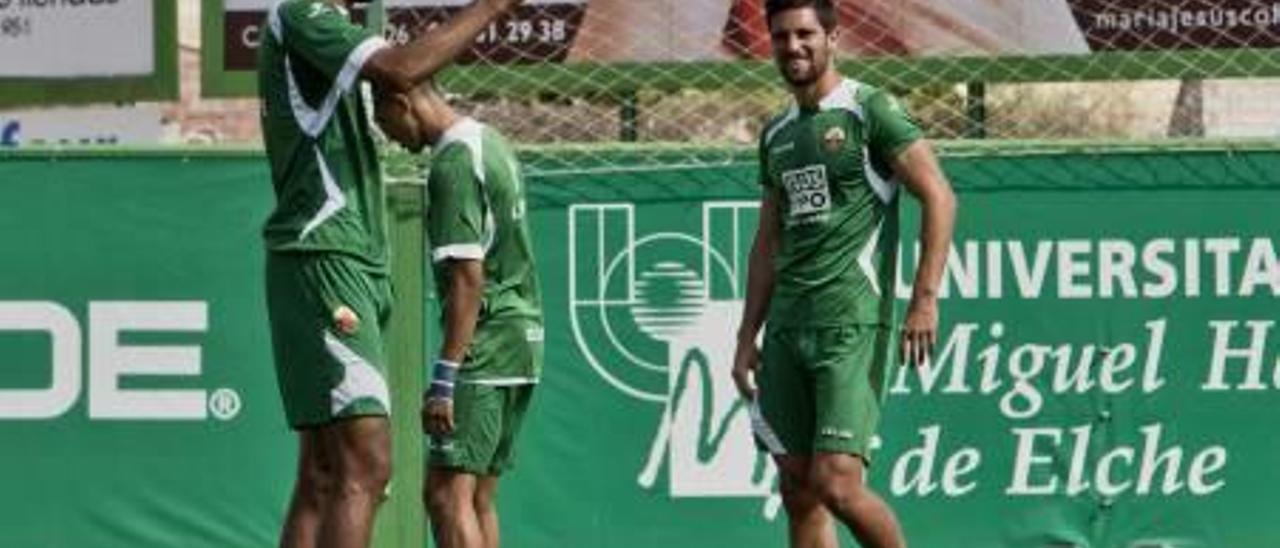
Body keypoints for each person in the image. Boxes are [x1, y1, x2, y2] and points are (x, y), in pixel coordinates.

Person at [256, 1, 524, 546]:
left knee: (323, 473)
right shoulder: (302, 13)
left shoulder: (332, 26)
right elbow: (399, 70)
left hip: (347, 258)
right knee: (367, 467)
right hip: (328, 254)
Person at [730, 1, 957, 548]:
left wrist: (924, 299)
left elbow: (939, 196)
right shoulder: (776, 134)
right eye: (781, 36)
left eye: (806, 33)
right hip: (787, 328)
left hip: (850, 323)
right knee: (797, 486)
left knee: (838, 484)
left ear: (833, 36)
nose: (794, 47)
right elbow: (769, 241)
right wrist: (745, 337)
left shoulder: (868, 109)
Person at [373, 83, 543, 548]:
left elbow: (469, 277)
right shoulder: (491, 141)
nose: (390, 137)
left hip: (483, 346)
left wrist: (445, 377)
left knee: (447, 495)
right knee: (478, 498)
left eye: (384, 120)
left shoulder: (452, 163)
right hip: (521, 341)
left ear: (402, 102)